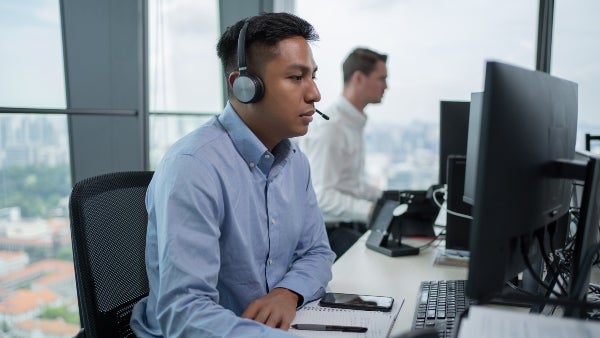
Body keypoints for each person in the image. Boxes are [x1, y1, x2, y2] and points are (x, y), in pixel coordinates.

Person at [130, 12, 335, 337]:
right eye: (296, 78)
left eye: (313, 76)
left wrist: (288, 293)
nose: (315, 94)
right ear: (244, 86)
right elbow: (184, 314)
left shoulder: (295, 161)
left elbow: (317, 252)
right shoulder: (194, 166)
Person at [298, 47, 388, 257]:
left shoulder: (351, 122)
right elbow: (322, 195)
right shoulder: (332, 126)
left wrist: (386, 197)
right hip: (329, 234)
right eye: (381, 78)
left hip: (347, 225)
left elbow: (350, 185)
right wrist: (369, 211)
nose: (386, 86)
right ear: (358, 78)